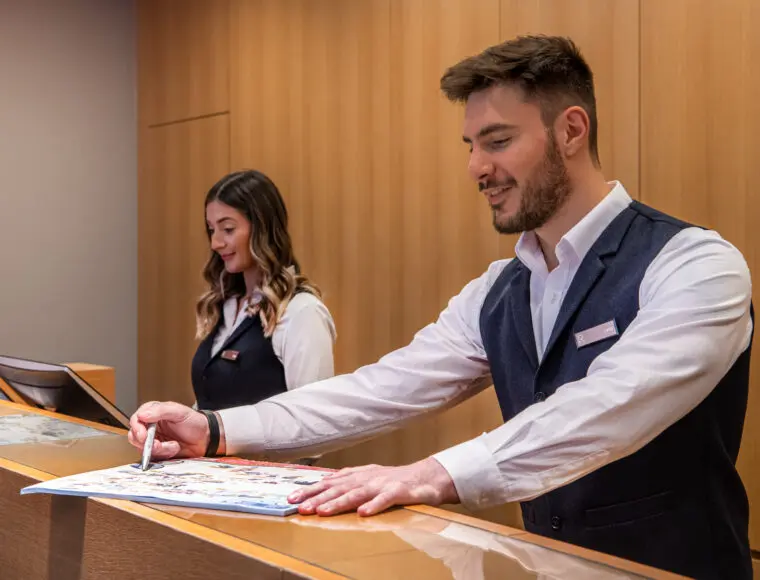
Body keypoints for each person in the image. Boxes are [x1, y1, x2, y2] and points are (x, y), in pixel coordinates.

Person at [129, 36, 754, 579]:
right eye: (470, 144)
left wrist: (431, 473)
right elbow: (382, 389)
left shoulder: (695, 264)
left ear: (571, 130)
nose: (477, 168)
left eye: (498, 141)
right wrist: (216, 429)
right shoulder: (497, 289)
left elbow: (613, 404)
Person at [189, 169, 336, 412]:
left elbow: (316, 420)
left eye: (228, 229)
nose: (216, 243)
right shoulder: (227, 306)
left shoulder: (302, 312)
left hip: (262, 452)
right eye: (211, 230)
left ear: (262, 229)